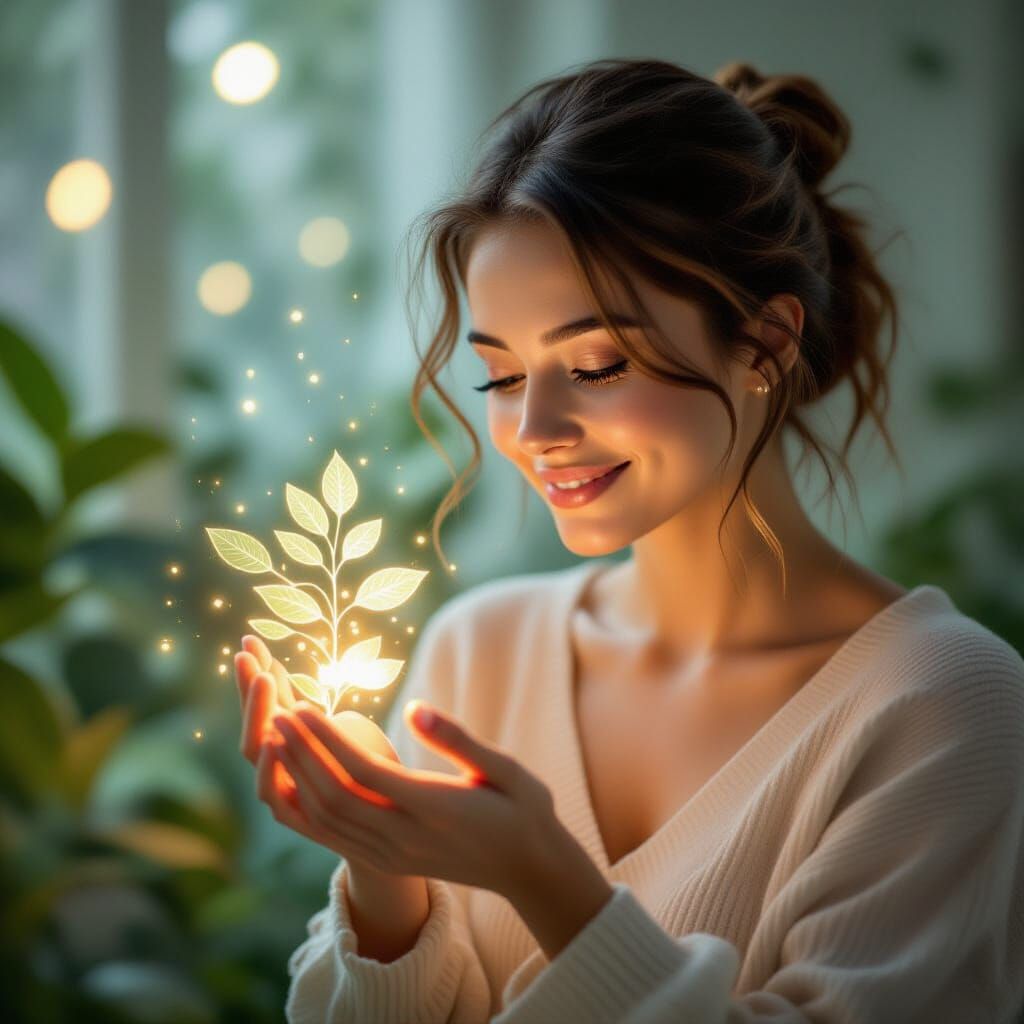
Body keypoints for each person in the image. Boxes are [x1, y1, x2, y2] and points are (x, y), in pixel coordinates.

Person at [233, 58, 1024, 1022]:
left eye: (596, 365)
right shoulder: (480, 652)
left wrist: (543, 876)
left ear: (767, 344)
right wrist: (384, 868)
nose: (533, 431)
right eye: (503, 377)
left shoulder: (942, 704)